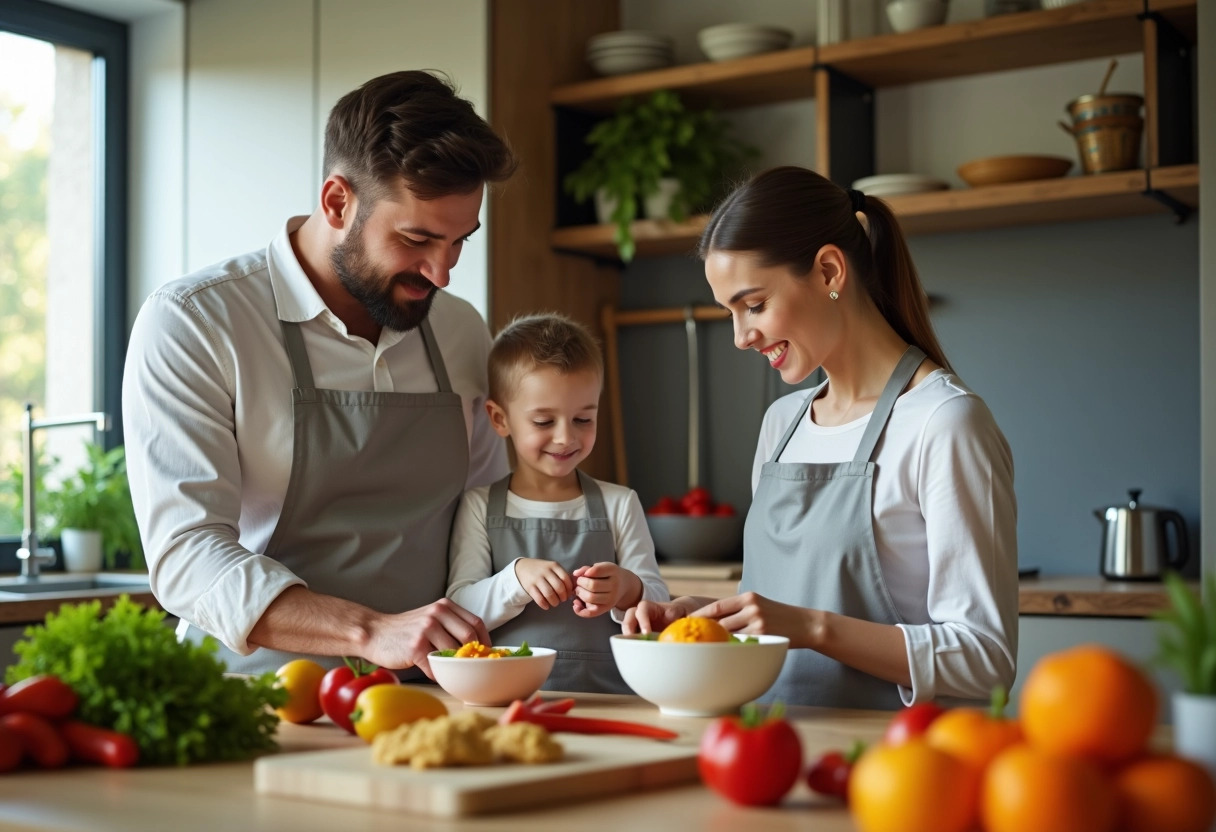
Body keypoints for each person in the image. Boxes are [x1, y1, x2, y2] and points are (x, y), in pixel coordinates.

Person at [122, 71, 518, 679]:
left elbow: (496, 515)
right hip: (260, 694)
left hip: (434, 688)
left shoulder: (460, 329)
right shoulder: (196, 323)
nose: (442, 273)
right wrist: (370, 632)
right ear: (338, 201)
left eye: (460, 241)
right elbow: (187, 555)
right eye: (417, 239)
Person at [623, 166, 1018, 709]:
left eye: (754, 304)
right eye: (730, 313)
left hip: (900, 770)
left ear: (830, 271)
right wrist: (715, 616)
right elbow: (787, 615)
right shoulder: (781, 425)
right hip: (773, 751)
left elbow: (985, 661)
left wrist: (812, 627)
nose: (740, 338)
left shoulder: (944, 423)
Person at [446, 313, 669, 693]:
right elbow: (460, 608)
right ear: (500, 419)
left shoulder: (620, 503)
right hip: (508, 699)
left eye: (583, 418)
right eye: (544, 422)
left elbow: (659, 601)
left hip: (611, 696)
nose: (566, 437)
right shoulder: (479, 506)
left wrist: (627, 589)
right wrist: (514, 578)